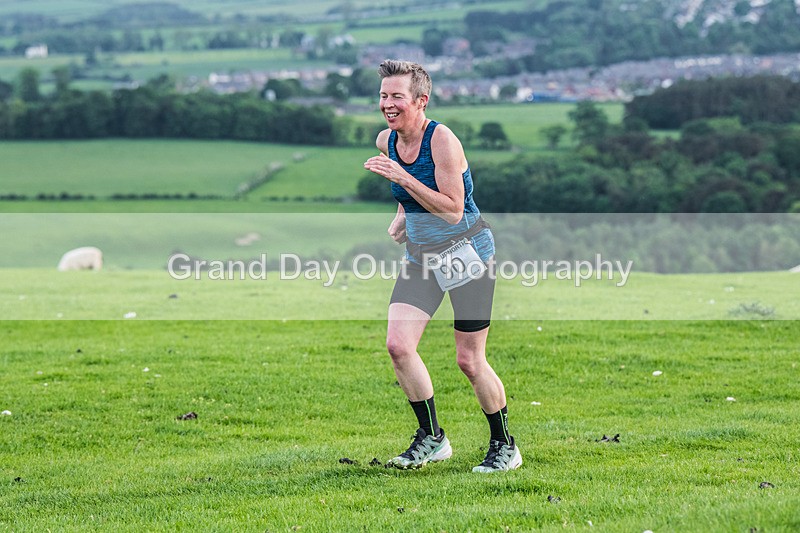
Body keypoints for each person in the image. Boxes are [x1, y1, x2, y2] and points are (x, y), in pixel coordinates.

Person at [363, 59, 522, 473]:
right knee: (398, 346)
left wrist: (403, 179)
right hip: (421, 257)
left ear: (421, 100)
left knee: (469, 361)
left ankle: (505, 445)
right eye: (383, 96)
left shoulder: (442, 140)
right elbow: (407, 188)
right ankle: (432, 438)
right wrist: (402, 213)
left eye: (396, 96)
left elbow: (452, 210)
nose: (387, 104)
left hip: (467, 254)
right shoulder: (388, 140)